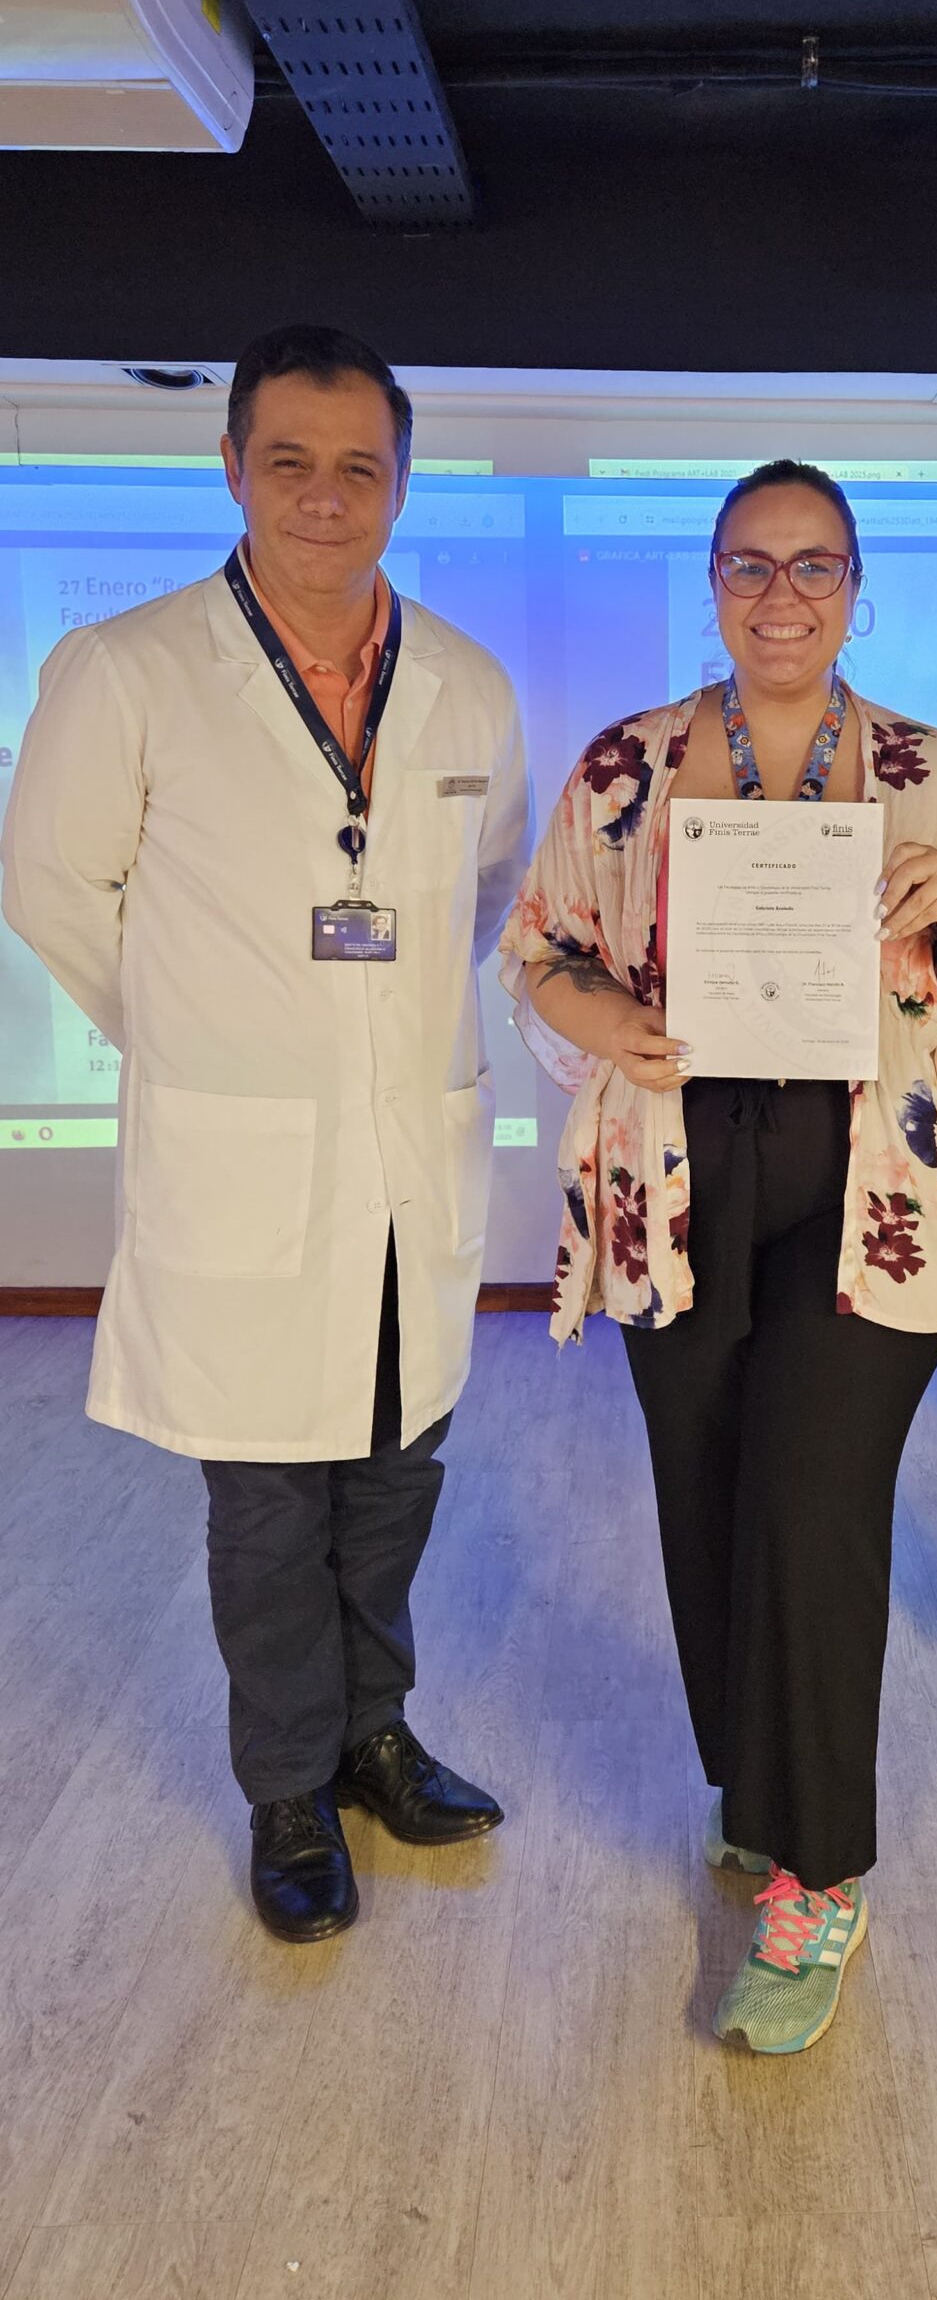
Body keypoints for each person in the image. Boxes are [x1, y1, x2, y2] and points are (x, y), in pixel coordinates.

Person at [1, 326, 531, 1942]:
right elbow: (51, 888)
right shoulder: (129, 667)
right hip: (242, 1165)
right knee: (268, 1503)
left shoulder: (465, 681)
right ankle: (289, 1788)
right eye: (288, 462)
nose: (323, 497)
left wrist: (367, 1034)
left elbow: (486, 891)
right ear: (231, 467)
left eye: (358, 467)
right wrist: (204, 1034)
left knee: (394, 1475)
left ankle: (377, 1734)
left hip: (409, 1159)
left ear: (400, 486)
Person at [502, 459, 937, 2052]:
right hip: (675, 1177)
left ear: (855, 590)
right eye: (749, 563)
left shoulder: (927, 773)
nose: (780, 594)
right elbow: (539, 950)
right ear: (713, 582)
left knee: (811, 1497)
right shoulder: (626, 763)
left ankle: (819, 1874)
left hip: (873, 1189)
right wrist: (611, 1019)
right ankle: (755, 1779)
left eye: (813, 566)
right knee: (709, 1490)